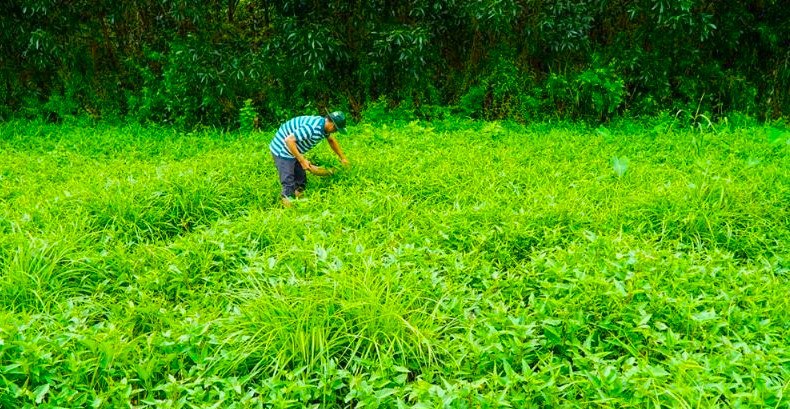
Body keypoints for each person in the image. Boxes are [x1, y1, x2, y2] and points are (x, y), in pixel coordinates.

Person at [269, 111, 349, 206]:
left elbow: (331, 140)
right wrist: (302, 160)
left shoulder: (323, 127)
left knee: (301, 179)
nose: (335, 132)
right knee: (288, 181)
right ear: (332, 125)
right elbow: (289, 140)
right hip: (282, 149)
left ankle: (299, 200)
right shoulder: (312, 128)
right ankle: (289, 209)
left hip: (294, 149)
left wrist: (343, 158)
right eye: (336, 129)